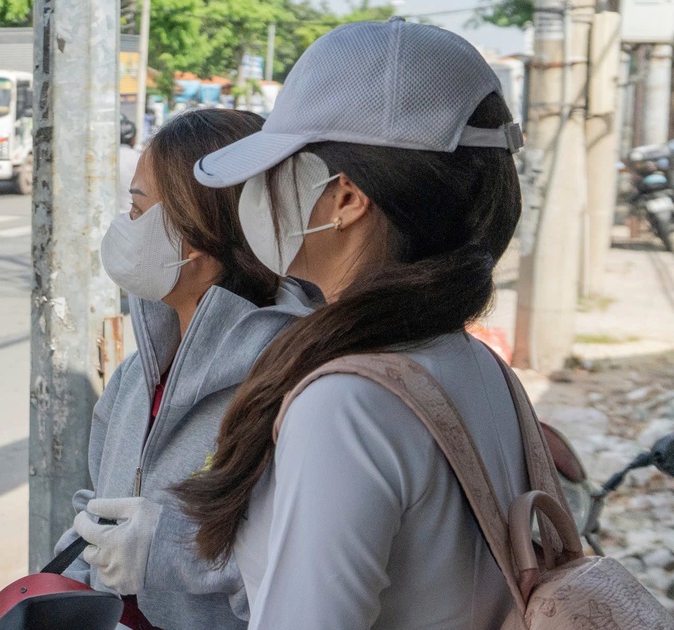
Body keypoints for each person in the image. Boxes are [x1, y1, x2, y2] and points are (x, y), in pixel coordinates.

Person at [175, 18, 531, 629]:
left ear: (345, 196)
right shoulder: (480, 368)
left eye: (279, 165)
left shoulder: (348, 404)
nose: (258, 191)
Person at [54, 108, 321, 629]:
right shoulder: (138, 376)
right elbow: (98, 509)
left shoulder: (292, 384)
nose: (123, 225)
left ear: (197, 234)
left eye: (137, 206)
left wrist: (166, 552)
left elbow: (305, 581)